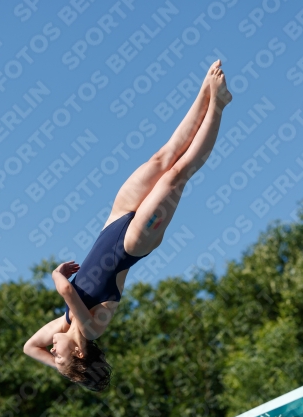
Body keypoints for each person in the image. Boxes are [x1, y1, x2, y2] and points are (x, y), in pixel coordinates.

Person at [23, 60, 232, 391]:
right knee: (177, 174)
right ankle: (218, 106)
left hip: (114, 220)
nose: (52, 352)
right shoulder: (89, 329)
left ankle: (207, 92)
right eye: (60, 357)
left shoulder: (61, 327)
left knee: (162, 158)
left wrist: (69, 372)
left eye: (55, 357)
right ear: (78, 351)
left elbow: (28, 348)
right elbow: (64, 288)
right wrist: (55, 274)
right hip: (133, 243)